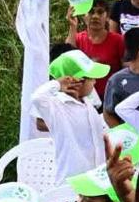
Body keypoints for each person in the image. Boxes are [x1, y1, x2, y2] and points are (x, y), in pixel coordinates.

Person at [33, 47, 111, 181]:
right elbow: (37, 97)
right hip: (71, 182)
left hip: (96, 178)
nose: (95, 82)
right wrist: (58, 83)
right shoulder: (57, 106)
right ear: (77, 81)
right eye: (91, 78)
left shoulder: (87, 103)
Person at [65, 0, 124, 99]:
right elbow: (67, 59)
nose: (95, 16)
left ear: (107, 17)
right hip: (83, 97)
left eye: (100, 12)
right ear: (84, 16)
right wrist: (72, 26)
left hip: (111, 97)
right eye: (91, 12)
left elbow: (126, 69)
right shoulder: (78, 38)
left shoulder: (118, 40)